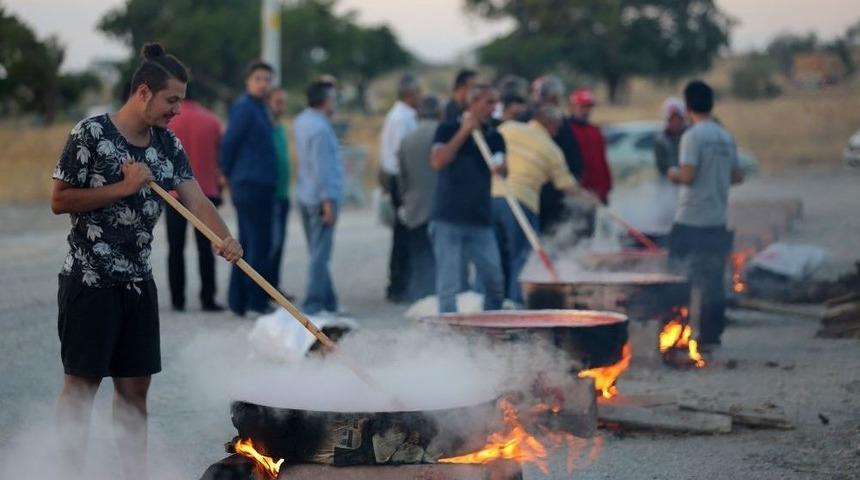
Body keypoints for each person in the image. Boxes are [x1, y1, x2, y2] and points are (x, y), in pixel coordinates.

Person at [50, 43, 243, 480]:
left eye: (181, 100)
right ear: (143, 92)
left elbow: (195, 198)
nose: (178, 109)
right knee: (81, 388)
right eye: (172, 99)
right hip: (89, 281)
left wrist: (224, 238)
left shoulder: (167, 143)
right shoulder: (91, 134)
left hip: (137, 283)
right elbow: (59, 200)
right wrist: (123, 187)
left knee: (135, 392)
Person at [667, 80, 744, 352]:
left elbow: (688, 175)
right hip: (717, 220)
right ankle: (711, 337)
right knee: (713, 281)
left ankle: (674, 334)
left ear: (688, 106)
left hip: (690, 219)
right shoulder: (725, 136)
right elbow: (737, 175)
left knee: (677, 277)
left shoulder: (692, 136)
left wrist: (672, 174)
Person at [494, 105, 594, 304]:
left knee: (493, 254)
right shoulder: (551, 148)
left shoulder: (508, 128)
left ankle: (486, 302)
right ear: (549, 123)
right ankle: (515, 302)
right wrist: (591, 199)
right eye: (557, 127)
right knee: (521, 257)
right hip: (523, 202)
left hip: (493, 197)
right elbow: (567, 187)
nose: (558, 131)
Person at [430, 84, 507, 313]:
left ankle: (493, 328)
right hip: (448, 218)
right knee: (449, 284)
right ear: (473, 104)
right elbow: (438, 161)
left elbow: (503, 169)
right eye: (488, 102)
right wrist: (464, 132)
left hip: (480, 220)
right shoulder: (446, 129)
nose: (493, 108)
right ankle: (448, 336)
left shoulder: (495, 136)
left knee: (495, 281)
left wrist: (502, 167)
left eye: (496, 103)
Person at [219, 60, 277, 316]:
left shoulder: (260, 108)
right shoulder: (244, 108)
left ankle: (240, 300)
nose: (264, 84)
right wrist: (228, 176)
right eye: (259, 79)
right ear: (248, 81)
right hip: (250, 184)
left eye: (267, 79)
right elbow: (229, 144)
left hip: (260, 184)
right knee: (256, 244)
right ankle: (254, 301)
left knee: (250, 242)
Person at [164, 86, 224, 312]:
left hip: (174, 194)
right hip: (206, 192)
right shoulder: (212, 121)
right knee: (205, 248)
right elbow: (221, 157)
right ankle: (208, 298)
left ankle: (177, 300)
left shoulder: (169, 122)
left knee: (175, 247)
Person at [294, 80, 344, 315]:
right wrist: (328, 202)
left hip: (305, 193)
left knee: (317, 252)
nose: (335, 103)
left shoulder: (302, 121)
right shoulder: (321, 129)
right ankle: (314, 304)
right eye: (333, 99)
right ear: (326, 101)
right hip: (321, 197)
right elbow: (323, 168)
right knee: (320, 255)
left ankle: (330, 302)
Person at [378, 74, 421, 302]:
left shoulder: (401, 116)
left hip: (397, 177)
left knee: (403, 233)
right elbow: (401, 153)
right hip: (400, 179)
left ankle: (401, 283)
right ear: (409, 94)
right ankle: (398, 285)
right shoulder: (401, 118)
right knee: (403, 234)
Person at [527, 76, 586, 234]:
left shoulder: (527, 118)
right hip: (548, 190)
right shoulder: (550, 121)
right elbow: (569, 155)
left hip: (545, 189)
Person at [396, 95, 441, 301]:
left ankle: (420, 297)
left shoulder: (407, 140)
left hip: (415, 208)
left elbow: (401, 177)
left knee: (419, 256)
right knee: (440, 258)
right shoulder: (443, 137)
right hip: (440, 207)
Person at [268, 87, 293, 294]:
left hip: (283, 194)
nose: (281, 107)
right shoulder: (263, 127)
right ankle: (264, 289)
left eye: (283, 102)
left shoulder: (280, 128)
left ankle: (274, 288)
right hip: (269, 196)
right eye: (278, 102)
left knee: (279, 245)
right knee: (270, 244)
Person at [652, 97, 688, 237]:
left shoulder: (689, 136)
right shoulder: (660, 139)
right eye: (671, 118)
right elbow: (661, 164)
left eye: (677, 118)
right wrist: (670, 171)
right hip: (667, 183)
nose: (675, 122)